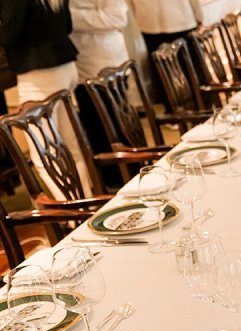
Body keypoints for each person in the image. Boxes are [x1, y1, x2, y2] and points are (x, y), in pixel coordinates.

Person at [0, 0, 93, 198]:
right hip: (64, 65)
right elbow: (67, 25)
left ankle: (73, 215)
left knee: (43, 155)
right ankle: (86, 203)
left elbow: (9, 36)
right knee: (71, 146)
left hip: (39, 73)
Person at [70, 0, 131, 189]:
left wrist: (71, 16)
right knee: (97, 133)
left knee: (120, 129)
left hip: (110, 61)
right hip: (82, 67)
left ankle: (130, 177)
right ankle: (113, 184)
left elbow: (118, 17)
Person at [128, 0, 202, 109]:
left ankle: (183, 108)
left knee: (181, 69)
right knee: (167, 71)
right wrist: (199, 16)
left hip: (159, 20)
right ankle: (195, 107)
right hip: (162, 21)